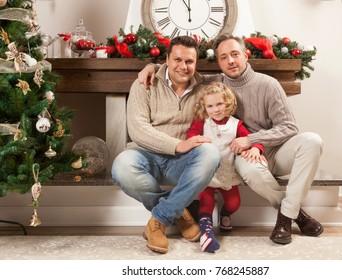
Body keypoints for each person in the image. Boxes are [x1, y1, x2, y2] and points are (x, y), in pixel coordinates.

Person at [137, 34, 324, 245]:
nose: (230, 61)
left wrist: (253, 140)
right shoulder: (213, 82)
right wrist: (152, 66)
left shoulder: (268, 85)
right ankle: (291, 215)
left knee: (312, 141)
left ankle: (288, 213)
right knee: (252, 172)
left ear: (246, 55)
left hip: (274, 151)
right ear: (218, 62)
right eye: (223, 57)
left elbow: (289, 127)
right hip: (242, 155)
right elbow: (180, 69)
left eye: (235, 54)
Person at [111, 36, 221, 254]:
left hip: (182, 163)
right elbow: (137, 129)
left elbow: (234, 78)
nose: (183, 66)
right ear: (167, 59)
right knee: (122, 166)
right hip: (146, 156)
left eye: (189, 61)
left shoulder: (206, 88)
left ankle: (159, 219)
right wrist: (177, 144)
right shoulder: (144, 83)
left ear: (196, 62)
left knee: (211, 153)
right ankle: (179, 214)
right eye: (177, 60)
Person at [187, 82, 266, 253]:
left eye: (219, 104)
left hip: (227, 173)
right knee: (206, 202)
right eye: (210, 106)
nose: (215, 109)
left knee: (234, 203)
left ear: (228, 103)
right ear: (204, 107)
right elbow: (191, 134)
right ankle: (206, 234)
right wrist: (197, 140)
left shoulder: (235, 124)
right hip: (207, 172)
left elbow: (251, 139)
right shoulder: (203, 122)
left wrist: (255, 148)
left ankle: (225, 215)